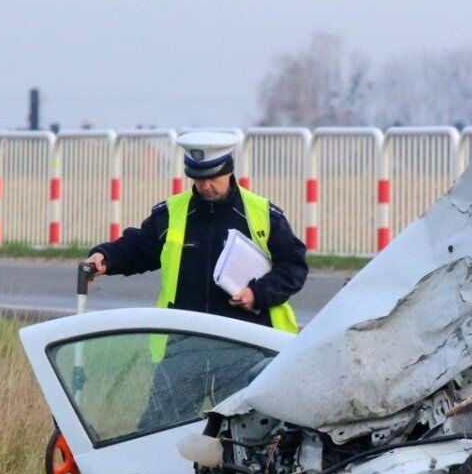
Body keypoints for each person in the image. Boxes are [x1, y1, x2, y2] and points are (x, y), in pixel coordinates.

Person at [84, 129, 307, 332]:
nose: (205, 186)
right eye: (198, 179)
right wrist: (106, 256)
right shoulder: (172, 213)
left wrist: (257, 294)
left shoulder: (263, 214)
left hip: (248, 339)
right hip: (183, 338)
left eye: (212, 178)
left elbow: (293, 266)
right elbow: (139, 248)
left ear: (228, 171)